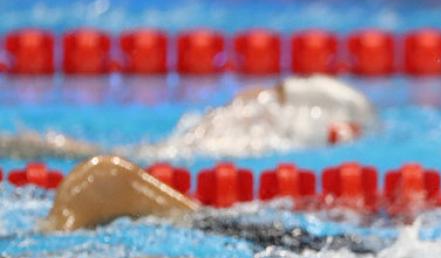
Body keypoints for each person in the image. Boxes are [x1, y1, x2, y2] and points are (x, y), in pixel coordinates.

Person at [0, 74, 375, 162]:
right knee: (142, 156)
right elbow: (266, 93)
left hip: (235, 137)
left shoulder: (348, 104)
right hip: (235, 136)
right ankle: (29, 144)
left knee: (143, 155)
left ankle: (29, 144)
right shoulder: (349, 105)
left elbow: (261, 93)